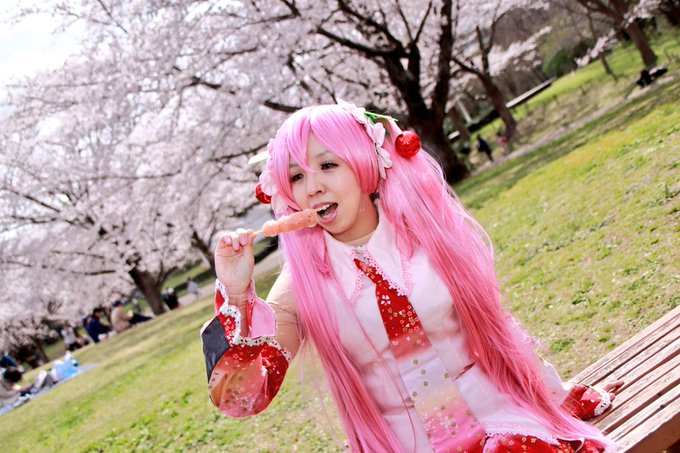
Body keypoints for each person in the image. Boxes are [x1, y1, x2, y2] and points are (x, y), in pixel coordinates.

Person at [201, 102, 622, 452]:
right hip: (403, 442)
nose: (312, 188)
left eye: (328, 165)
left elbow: (496, 329)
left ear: (365, 163)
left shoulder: (425, 235)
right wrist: (236, 296)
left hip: (497, 418)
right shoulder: (302, 283)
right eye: (297, 176)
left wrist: (554, 395)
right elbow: (244, 397)